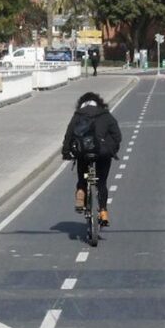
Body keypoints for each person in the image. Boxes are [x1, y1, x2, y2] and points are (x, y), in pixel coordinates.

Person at [61, 92, 122, 227]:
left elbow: (69, 135)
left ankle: (81, 191)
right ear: (99, 103)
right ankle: (103, 211)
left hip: (83, 153)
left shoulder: (78, 115)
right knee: (102, 183)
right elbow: (117, 136)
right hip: (103, 154)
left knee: (83, 176)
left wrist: (66, 152)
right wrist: (112, 149)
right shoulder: (106, 115)